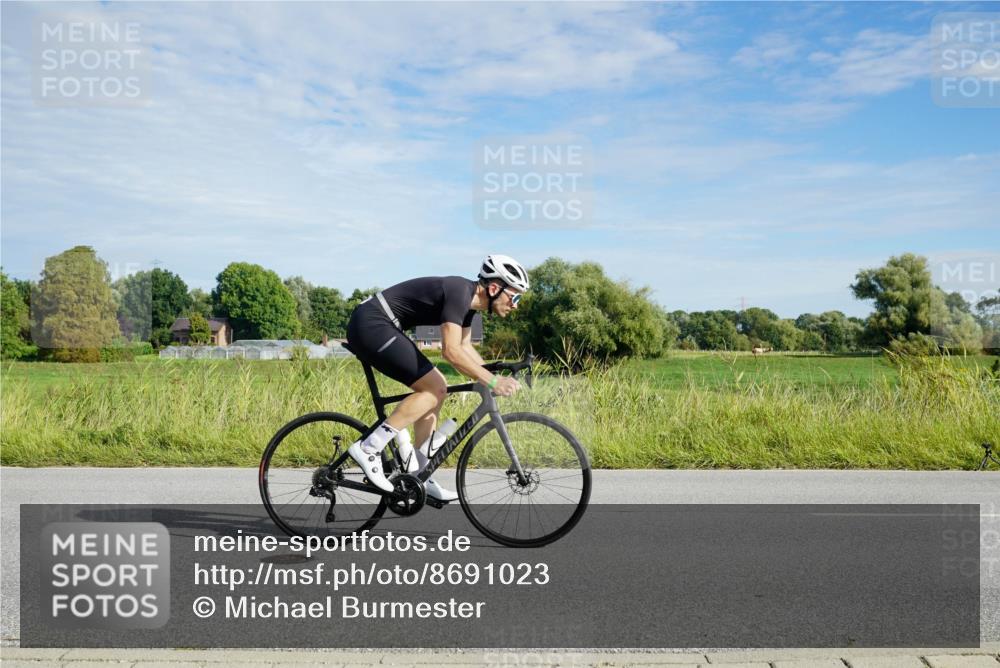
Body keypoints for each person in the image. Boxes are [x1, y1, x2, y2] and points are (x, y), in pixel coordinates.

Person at [345, 254, 529, 499]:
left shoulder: (469, 308)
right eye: (514, 296)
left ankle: (419, 474)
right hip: (371, 324)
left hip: (385, 325)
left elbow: (465, 348)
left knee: (437, 391)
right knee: (434, 387)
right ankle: (369, 447)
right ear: (495, 288)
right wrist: (492, 381)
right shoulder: (459, 292)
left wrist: (493, 371)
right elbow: (451, 351)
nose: (516, 304)